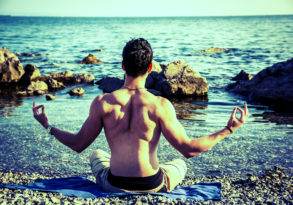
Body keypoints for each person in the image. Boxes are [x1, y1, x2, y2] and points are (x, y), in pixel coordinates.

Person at [32, 38, 249, 193]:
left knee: (96, 154)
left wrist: (47, 125)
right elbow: (189, 149)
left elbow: (78, 144)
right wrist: (228, 129)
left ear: (122, 65)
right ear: (151, 67)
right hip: (152, 184)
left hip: (113, 184)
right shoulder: (160, 105)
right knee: (180, 164)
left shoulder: (103, 102)